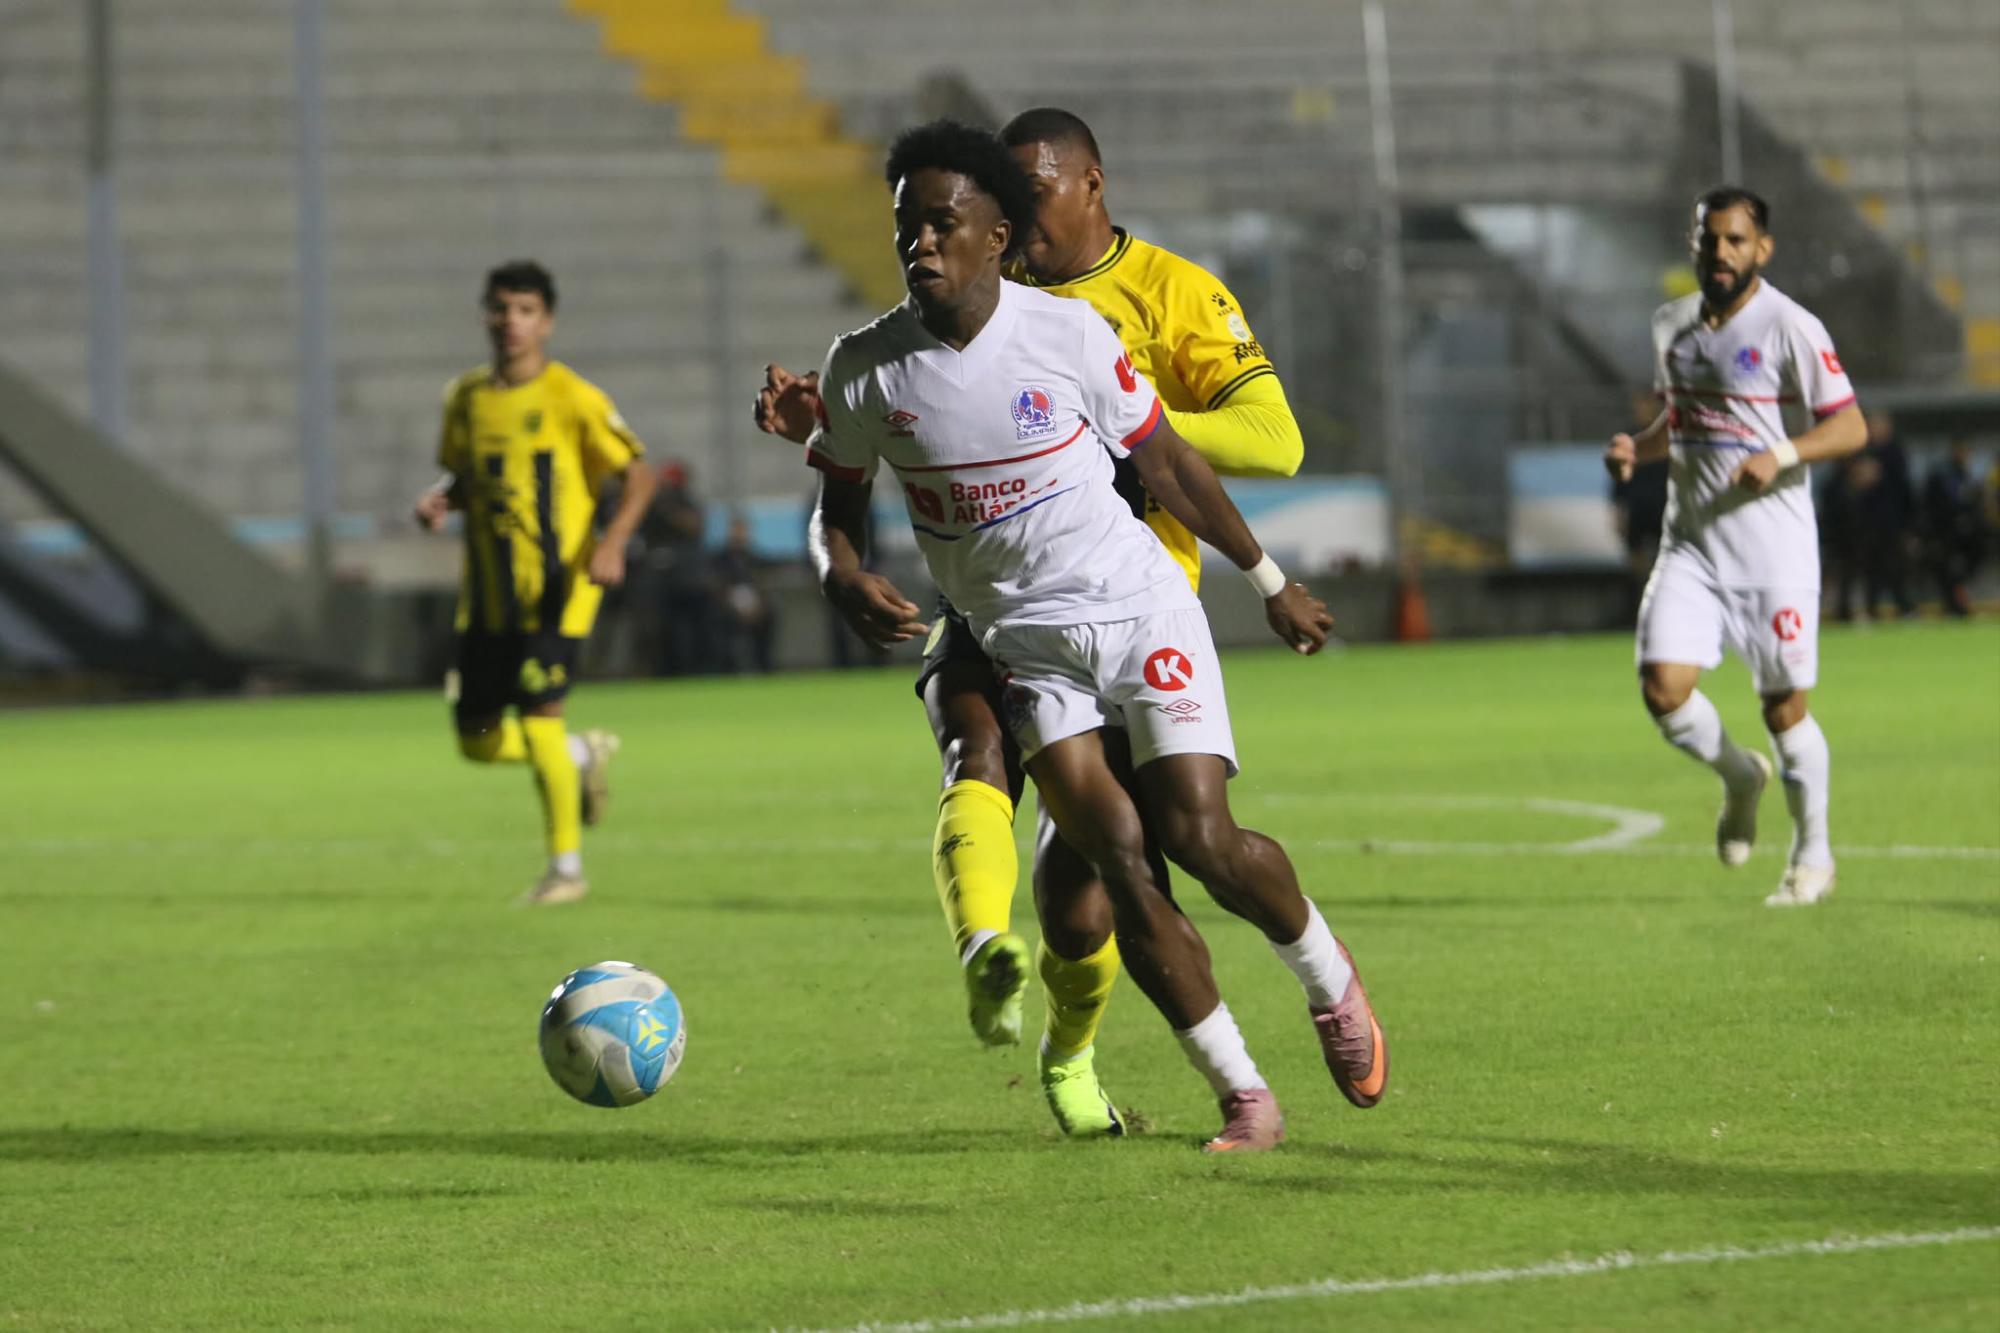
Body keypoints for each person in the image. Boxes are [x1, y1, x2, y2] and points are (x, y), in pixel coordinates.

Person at [805, 120, 1385, 1150]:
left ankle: (1328, 980)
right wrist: (840, 572)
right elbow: (837, 504)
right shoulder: (862, 368)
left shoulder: (1070, 335)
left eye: (941, 223)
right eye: (905, 226)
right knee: (1115, 867)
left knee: (1200, 840)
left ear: (995, 234)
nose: (919, 244)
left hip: (1139, 610)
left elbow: (1168, 466)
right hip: (1022, 647)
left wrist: (1269, 580)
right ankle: (1243, 1093)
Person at [1605, 188, 1867, 907]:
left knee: (1784, 710)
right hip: (1690, 544)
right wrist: (1640, 447)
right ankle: (1737, 776)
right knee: (1664, 690)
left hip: (1772, 553)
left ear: (1762, 249)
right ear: (1695, 244)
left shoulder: (1790, 326)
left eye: (1735, 241)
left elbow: (1849, 428)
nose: (1720, 253)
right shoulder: (1672, 325)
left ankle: (1814, 855)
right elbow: (1682, 415)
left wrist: (1780, 453)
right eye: (1710, 240)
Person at [414, 260, 656, 904]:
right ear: (485, 316)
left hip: (559, 587)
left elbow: (638, 473)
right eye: (500, 309)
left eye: (524, 310)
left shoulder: (572, 396)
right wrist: (443, 499)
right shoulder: (464, 398)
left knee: (541, 719)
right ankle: (579, 758)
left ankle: (565, 870)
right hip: (489, 596)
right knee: (477, 742)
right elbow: (473, 477)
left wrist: (612, 541)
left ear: (545, 322)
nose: (510, 323)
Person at [1924, 438, 1988, 617]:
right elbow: (1938, 505)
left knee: (1957, 571)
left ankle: (1956, 605)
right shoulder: (1944, 475)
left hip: (1964, 534)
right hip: (1946, 533)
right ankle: (1954, 606)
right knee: (1950, 571)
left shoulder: (1964, 474)